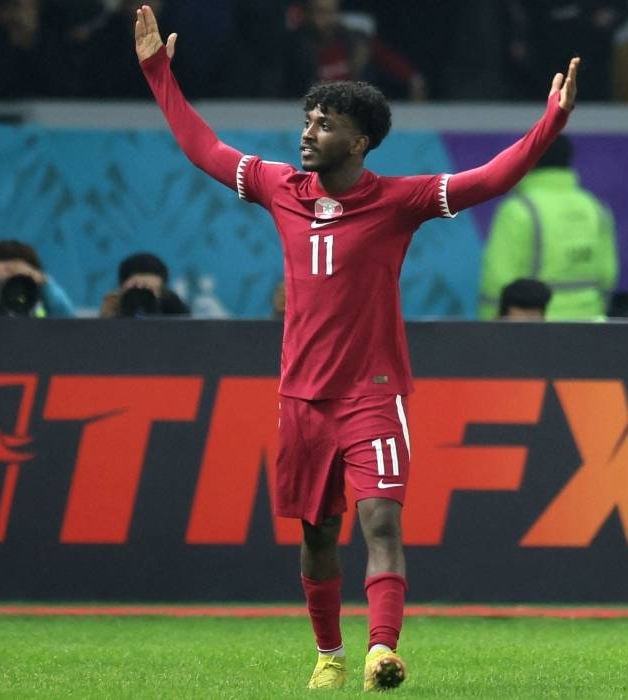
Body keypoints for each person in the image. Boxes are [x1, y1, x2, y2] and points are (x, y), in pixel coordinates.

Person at [134, 5, 579, 691]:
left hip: (373, 395)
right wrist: (158, 73)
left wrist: (550, 120)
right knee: (317, 535)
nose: (308, 132)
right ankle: (330, 655)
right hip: (301, 400)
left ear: (360, 141)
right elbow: (204, 148)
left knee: (381, 523)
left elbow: (489, 179)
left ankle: (381, 651)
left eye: (325, 124)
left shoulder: (399, 201)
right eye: (309, 120)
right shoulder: (281, 187)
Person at [477, 134, 618, 321]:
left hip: (535, 328)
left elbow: (498, 279)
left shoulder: (518, 210)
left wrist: (491, 326)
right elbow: (607, 274)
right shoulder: (595, 208)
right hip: (591, 323)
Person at [277, 0, 427, 101]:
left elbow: (389, 60)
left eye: (331, 12)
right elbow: (283, 89)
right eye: (320, 12)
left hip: (353, 114)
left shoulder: (356, 42)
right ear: (308, 15)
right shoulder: (296, 49)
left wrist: (413, 79)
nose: (326, 19)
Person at [0, 239, 76, 318]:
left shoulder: (42, 311)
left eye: (17, 280)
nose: (11, 287)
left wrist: (45, 284)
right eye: (2, 280)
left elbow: (68, 320)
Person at [99, 251, 190, 317]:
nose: (143, 295)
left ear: (163, 292)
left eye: (151, 289)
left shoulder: (171, 307)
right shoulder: (115, 305)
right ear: (121, 288)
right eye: (135, 288)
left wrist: (177, 311)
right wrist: (108, 317)